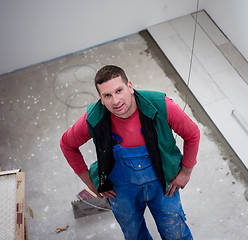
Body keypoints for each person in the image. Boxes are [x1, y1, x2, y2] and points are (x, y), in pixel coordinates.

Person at [60, 65, 200, 240]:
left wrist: (186, 171)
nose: (116, 101)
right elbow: (67, 144)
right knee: (134, 235)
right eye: (107, 95)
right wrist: (90, 182)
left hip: (163, 183)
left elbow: (192, 133)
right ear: (101, 99)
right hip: (121, 189)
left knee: (176, 232)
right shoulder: (94, 118)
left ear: (130, 87)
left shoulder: (160, 106)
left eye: (119, 90)